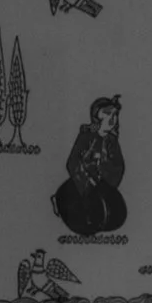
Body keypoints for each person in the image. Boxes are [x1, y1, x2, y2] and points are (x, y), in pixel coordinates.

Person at [52, 95, 126, 238]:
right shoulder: (86, 136)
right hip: (82, 183)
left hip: (102, 183)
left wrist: (106, 181)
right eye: (106, 115)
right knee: (84, 216)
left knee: (116, 216)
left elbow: (119, 165)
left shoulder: (112, 141)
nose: (111, 120)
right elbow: (72, 162)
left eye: (114, 115)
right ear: (97, 118)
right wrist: (87, 180)